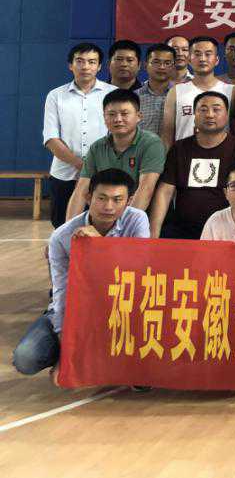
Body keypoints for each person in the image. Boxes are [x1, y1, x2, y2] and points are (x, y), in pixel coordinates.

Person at [11, 168, 149, 377]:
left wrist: (100, 246)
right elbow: (61, 291)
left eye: (117, 200)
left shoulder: (137, 220)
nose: (108, 207)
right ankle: (75, 354)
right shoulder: (62, 236)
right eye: (101, 198)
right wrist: (65, 350)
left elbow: (138, 271)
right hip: (78, 308)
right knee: (26, 358)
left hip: (122, 307)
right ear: (88, 197)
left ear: (129, 201)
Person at [149, 91, 235, 239]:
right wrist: (153, 232)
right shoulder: (180, 148)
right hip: (183, 229)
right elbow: (165, 191)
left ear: (227, 115)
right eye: (203, 110)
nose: (209, 115)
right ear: (194, 116)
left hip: (227, 229)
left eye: (216, 109)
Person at [42, 43, 115, 226]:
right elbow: (51, 138)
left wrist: (94, 168)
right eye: (80, 61)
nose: (85, 66)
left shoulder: (112, 94)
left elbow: (117, 136)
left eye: (92, 62)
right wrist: (81, 165)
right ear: (70, 65)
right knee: (62, 225)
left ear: (99, 66)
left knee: (100, 226)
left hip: (102, 174)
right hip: (64, 174)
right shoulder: (55, 95)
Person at [65, 89, 165, 219]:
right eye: (111, 114)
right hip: (105, 216)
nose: (118, 119)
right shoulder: (97, 147)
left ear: (139, 116)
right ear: (104, 117)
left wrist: (121, 226)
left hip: (141, 217)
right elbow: (81, 189)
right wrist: (69, 226)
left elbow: (146, 189)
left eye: (124, 114)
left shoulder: (151, 143)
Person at [161, 36, 233, 147]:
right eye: (198, 54)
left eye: (208, 54)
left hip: (222, 155)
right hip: (183, 154)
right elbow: (167, 135)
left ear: (217, 60)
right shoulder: (175, 92)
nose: (202, 59)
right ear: (189, 59)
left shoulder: (231, 91)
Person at [135, 44, 175, 136]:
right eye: (156, 62)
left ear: (173, 67)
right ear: (145, 65)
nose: (162, 67)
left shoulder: (181, 95)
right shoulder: (134, 97)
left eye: (167, 63)